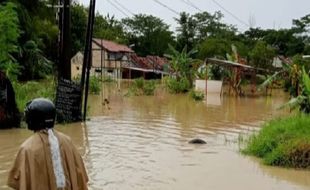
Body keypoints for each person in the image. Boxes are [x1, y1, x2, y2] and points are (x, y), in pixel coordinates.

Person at [7, 98, 88, 190]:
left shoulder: (27, 149)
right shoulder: (67, 141)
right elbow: (81, 177)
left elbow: (20, 183)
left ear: (32, 120)